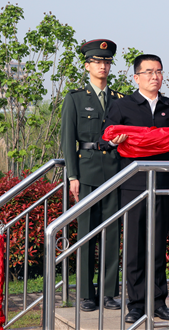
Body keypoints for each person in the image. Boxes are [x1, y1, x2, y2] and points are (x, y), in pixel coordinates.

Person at [104, 54, 169, 323]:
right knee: (135, 246)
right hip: (133, 185)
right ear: (136, 77)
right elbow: (106, 139)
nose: (155, 76)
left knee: (160, 244)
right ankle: (135, 304)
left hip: (163, 183)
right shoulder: (122, 106)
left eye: (158, 71)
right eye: (148, 72)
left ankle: (159, 300)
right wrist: (115, 142)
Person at [60, 39, 125, 312]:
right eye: (98, 61)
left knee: (112, 234)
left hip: (114, 172)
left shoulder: (120, 99)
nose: (103, 66)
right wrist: (72, 176)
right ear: (87, 66)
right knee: (86, 234)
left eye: (107, 61)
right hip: (86, 172)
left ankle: (109, 292)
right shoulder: (75, 99)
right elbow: (67, 140)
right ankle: (86, 294)